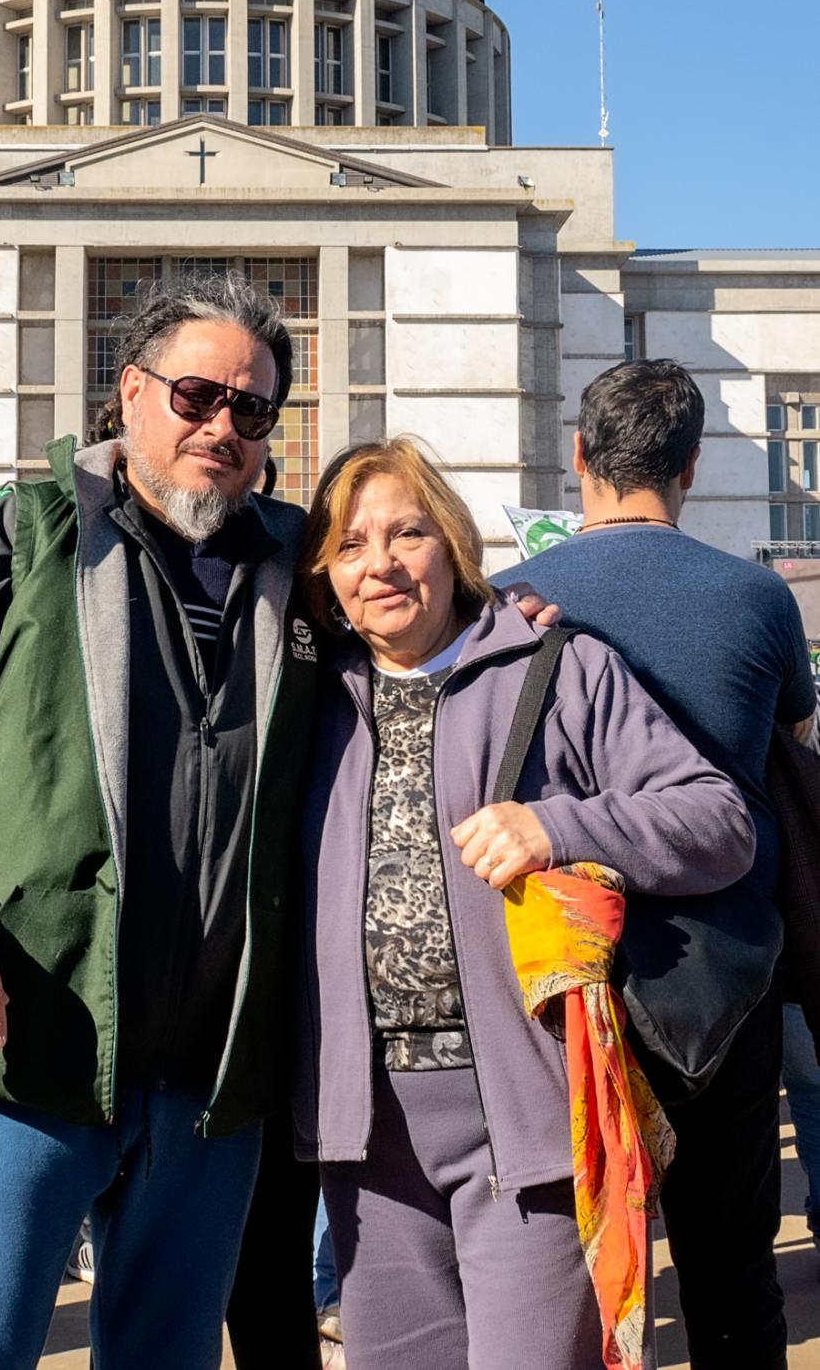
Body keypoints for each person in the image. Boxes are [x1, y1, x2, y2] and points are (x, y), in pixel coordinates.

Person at [0, 272, 327, 1370]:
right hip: (16, 1060)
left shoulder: (299, 566)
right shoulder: (17, 532)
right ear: (130, 393)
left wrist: (506, 616)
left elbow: (423, 620)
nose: (222, 428)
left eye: (252, 410)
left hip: (206, 1091)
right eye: (197, 396)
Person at [293, 437, 757, 1370]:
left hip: (529, 1116)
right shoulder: (310, 692)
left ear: (454, 546)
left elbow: (721, 820)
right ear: (324, 574)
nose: (378, 562)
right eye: (350, 544)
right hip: (365, 1131)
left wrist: (561, 826)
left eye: (406, 532)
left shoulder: (558, 666)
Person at [492, 359, 817, 1370]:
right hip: (722, 978)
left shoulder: (504, 600)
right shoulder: (757, 598)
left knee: (568, 1277)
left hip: (553, 984)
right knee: (731, 1271)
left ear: (578, 457)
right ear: (690, 464)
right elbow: (794, 741)